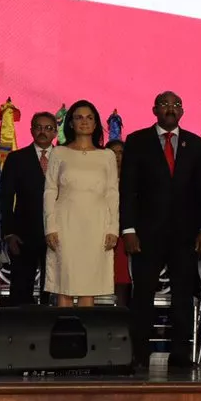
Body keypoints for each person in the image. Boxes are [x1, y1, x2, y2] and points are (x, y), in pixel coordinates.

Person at [119, 92, 201, 369]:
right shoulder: (137, 141)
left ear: (182, 111)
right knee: (143, 294)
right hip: (146, 233)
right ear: (154, 110)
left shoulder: (195, 144)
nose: (170, 109)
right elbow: (128, 190)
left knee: (183, 294)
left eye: (176, 105)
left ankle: (181, 355)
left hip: (184, 234)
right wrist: (128, 229)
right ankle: (139, 354)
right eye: (165, 105)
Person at [44, 100, 119, 307]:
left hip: (96, 224)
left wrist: (113, 228)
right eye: (78, 117)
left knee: (90, 285)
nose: (84, 122)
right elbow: (50, 191)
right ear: (70, 123)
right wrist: (50, 227)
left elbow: (112, 194)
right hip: (65, 223)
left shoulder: (107, 156)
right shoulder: (59, 153)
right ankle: (63, 337)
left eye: (89, 118)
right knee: (65, 284)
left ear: (96, 124)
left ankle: (84, 338)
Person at [0, 111, 57, 305]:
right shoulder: (17, 158)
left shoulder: (65, 158)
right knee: (21, 290)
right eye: (39, 127)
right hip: (23, 235)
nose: (43, 132)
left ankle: (52, 332)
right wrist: (8, 233)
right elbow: (5, 198)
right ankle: (19, 333)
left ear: (56, 132)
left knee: (53, 291)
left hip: (57, 234)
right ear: (31, 130)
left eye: (48, 128)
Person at [107, 139, 131, 308]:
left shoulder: (131, 179)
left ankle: (121, 316)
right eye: (113, 153)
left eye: (121, 153)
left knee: (122, 278)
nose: (117, 157)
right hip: (101, 230)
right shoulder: (98, 177)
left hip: (124, 232)